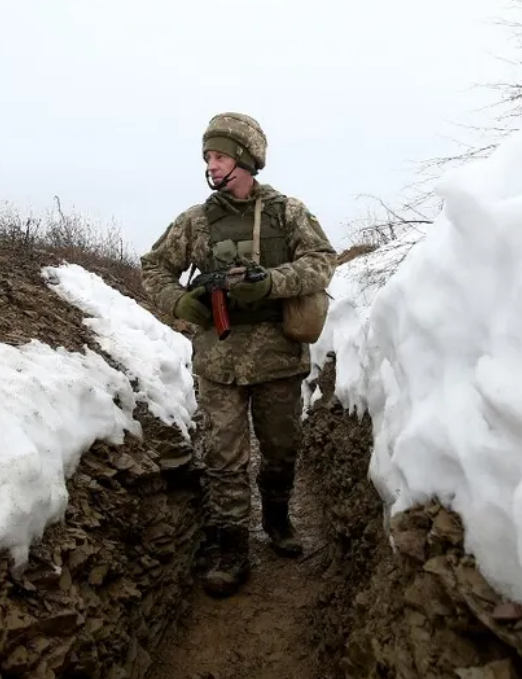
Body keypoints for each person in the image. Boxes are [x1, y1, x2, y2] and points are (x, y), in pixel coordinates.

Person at [140, 112, 336, 598]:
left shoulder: (287, 213)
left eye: (221, 155)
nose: (212, 163)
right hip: (219, 361)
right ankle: (231, 547)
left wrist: (271, 283)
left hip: (279, 357)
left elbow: (321, 262)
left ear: (245, 159)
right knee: (224, 457)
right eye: (208, 155)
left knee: (281, 447)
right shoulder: (195, 221)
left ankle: (277, 519)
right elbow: (153, 267)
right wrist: (179, 302)